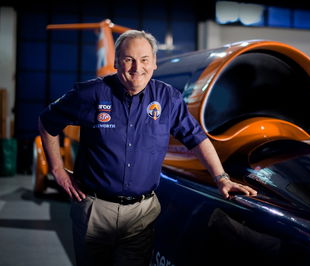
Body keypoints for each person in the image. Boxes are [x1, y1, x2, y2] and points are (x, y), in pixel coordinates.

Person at [38, 30, 257, 266]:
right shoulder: (90, 94)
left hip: (141, 214)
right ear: (116, 62)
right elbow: (47, 122)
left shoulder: (168, 99)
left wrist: (222, 178)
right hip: (95, 211)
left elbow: (196, 138)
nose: (136, 68)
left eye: (144, 60)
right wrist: (58, 170)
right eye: (129, 59)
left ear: (154, 63)